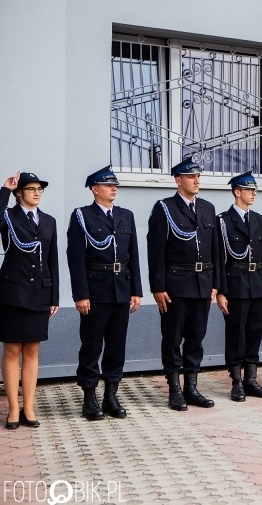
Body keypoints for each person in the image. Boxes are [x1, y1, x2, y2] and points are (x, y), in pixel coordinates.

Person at [67, 166, 142, 420]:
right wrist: (80, 294)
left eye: (115, 186)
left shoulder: (126, 216)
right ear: (94, 189)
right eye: (108, 185)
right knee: (91, 346)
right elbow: (75, 258)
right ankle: (90, 397)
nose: (114, 189)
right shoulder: (82, 216)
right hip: (95, 291)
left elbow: (134, 256)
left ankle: (111, 395)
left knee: (116, 347)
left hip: (122, 289)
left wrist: (136, 291)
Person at [147, 156, 218, 411]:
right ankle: (174, 389)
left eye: (198, 176)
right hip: (175, 285)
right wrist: (157, 287)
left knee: (196, 338)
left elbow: (215, 250)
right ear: (178, 180)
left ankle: (191, 387)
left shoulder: (208, 208)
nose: (197, 180)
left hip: (202, 283)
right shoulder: (164, 208)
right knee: (173, 338)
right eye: (191, 176)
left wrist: (215, 282)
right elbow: (155, 251)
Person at [0, 171, 59, 429]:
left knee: (33, 350)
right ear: (19, 193)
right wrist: (4, 190)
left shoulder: (49, 221)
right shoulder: (8, 217)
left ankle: (29, 408)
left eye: (39, 189)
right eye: (31, 188)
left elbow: (52, 261)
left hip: (39, 294)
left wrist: (54, 295)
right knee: (12, 350)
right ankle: (13, 409)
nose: (37, 193)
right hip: (13, 293)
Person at [216, 171, 262, 401]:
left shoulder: (259, 219)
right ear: (237, 192)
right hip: (236, 284)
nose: (253, 193)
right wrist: (221, 291)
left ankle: (251, 379)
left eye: (255, 190)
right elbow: (220, 259)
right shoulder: (223, 221)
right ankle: (237, 381)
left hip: (257, 284)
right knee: (236, 333)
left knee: (255, 331)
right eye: (249, 190)